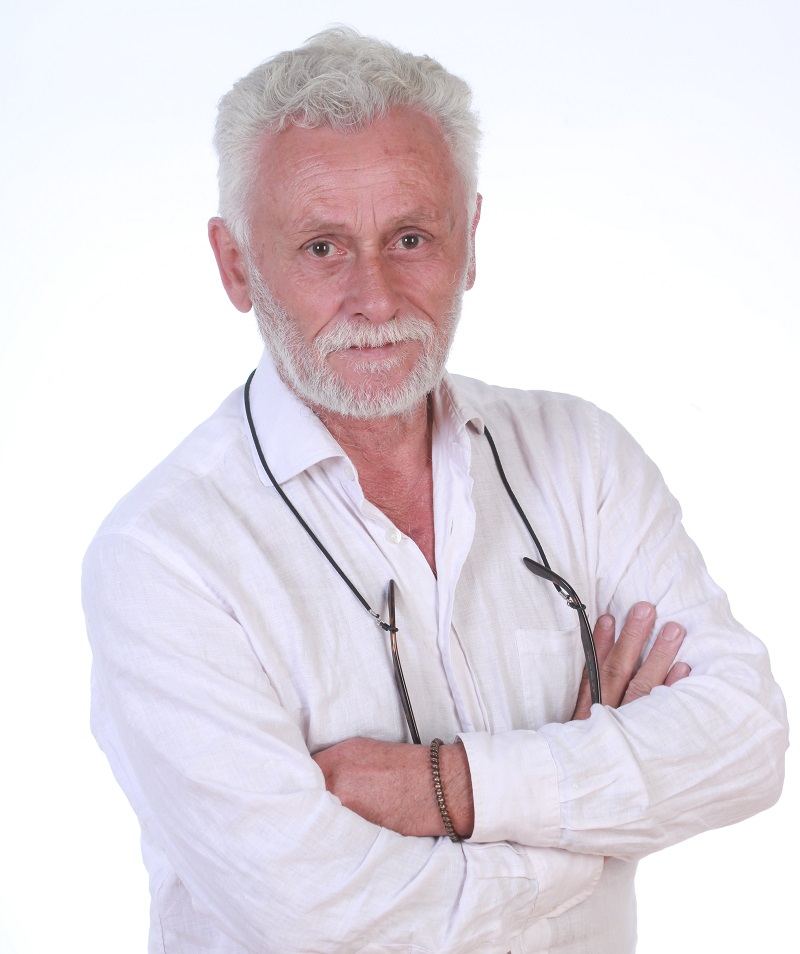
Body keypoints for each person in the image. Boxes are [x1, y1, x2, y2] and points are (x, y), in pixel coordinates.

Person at [82, 27, 788, 954]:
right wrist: (591, 817)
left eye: (411, 238)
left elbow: (745, 742)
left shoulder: (580, 457)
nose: (375, 298)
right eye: (322, 247)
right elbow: (323, 921)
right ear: (236, 265)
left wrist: (446, 788)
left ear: (471, 240)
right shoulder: (162, 558)